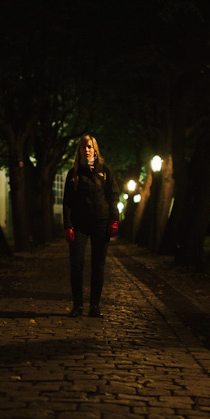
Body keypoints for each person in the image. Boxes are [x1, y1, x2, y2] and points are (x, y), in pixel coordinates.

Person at [62, 135, 120, 318]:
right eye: (83, 147)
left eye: (89, 147)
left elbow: (113, 196)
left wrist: (114, 219)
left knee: (98, 265)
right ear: (79, 150)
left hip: (101, 222)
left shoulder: (105, 172)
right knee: (76, 265)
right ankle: (77, 306)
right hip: (79, 224)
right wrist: (68, 225)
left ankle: (94, 306)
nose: (86, 150)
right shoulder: (73, 174)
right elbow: (67, 201)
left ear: (95, 150)